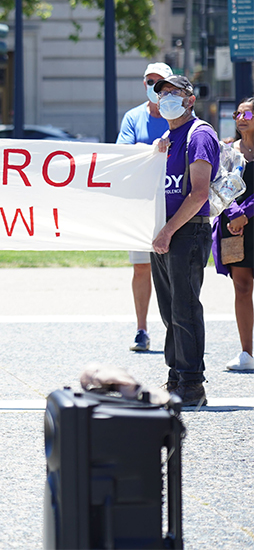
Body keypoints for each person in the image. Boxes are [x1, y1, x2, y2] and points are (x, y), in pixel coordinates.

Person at [151, 74, 218, 407]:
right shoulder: (168, 137)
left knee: (185, 308)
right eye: (161, 93)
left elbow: (199, 193)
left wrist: (168, 231)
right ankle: (176, 375)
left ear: (190, 99)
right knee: (169, 311)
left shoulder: (199, 135)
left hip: (186, 230)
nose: (165, 98)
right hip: (165, 232)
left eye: (172, 93)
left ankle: (192, 383)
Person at [117, 62, 174, 353]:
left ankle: (175, 330)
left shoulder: (178, 114)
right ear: (144, 84)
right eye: (151, 81)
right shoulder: (133, 117)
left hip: (174, 204)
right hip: (141, 205)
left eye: (161, 82)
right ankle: (142, 328)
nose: (156, 87)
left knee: (172, 270)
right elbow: (125, 153)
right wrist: (154, 148)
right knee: (142, 267)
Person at [211, 97, 254, 372]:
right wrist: (235, 212)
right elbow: (220, 184)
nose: (240, 117)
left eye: (247, 114)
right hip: (235, 227)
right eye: (238, 113)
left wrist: (246, 213)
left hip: (244, 220)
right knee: (241, 288)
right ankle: (246, 353)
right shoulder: (229, 151)